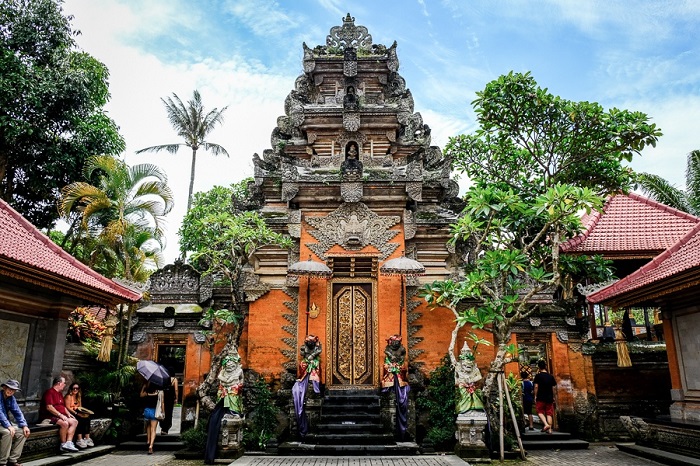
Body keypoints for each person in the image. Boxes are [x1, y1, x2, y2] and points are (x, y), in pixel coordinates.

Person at [40, 376, 78, 452]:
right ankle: (63, 444)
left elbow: (62, 406)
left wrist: (68, 414)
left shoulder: (59, 393)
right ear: (59, 383)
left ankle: (69, 442)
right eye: (64, 383)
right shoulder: (49, 392)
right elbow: (49, 407)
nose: (65, 385)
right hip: (50, 416)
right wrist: (60, 415)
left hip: (62, 415)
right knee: (65, 423)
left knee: (74, 421)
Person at [0, 379, 30, 466]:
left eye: (13, 390)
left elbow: (17, 412)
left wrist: (24, 425)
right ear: (4, 388)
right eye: (9, 389)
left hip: (4, 423)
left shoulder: (11, 398)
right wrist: (8, 425)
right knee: (8, 432)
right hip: (3, 423)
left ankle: (13, 460)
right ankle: (2, 462)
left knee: (22, 433)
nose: (11, 391)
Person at [63, 383, 93, 448]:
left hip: (77, 411)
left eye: (77, 388)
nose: (75, 390)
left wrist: (83, 413)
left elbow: (80, 407)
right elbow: (67, 407)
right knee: (79, 419)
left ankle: (87, 437)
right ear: (71, 389)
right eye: (74, 388)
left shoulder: (78, 397)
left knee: (87, 419)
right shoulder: (68, 396)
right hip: (70, 412)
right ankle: (79, 439)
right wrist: (76, 413)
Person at [533, 360, 557, 433]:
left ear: (539, 367)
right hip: (549, 397)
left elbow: (536, 386)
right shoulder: (550, 376)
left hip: (541, 396)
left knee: (539, 411)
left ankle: (546, 424)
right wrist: (553, 396)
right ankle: (550, 430)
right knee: (549, 413)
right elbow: (553, 388)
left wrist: (535, 396)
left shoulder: (538, 376)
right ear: (545, 366)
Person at [140, 382, 159, 454]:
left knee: (148, 426)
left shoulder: (146, 393)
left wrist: (144, 387)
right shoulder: (158, 393)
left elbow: (140, 395)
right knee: (153, 429)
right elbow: (162, 402)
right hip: (154, 411)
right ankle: (151, 445)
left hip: (147, 411)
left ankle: (148, 440)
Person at [159, 368, 178, 435]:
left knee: (162, 411)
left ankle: (162, 427)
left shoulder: (163, 379)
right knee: (169, 413)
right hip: (170, 398)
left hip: (163, 397)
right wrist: (176, 398)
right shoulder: (174, 379)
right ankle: (166, 429)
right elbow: (176, 390)